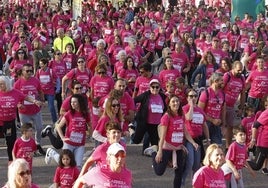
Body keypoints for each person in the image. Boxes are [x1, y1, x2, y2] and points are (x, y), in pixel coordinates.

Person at [144, 94, 198, 188]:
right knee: (159, 171)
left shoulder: (181, 115)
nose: (176, 103)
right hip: (167, 147)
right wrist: (159, 151)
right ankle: (153, 151)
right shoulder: (166, 117)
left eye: (177, 101)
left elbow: (185, 132)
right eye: (173, 101)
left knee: (179, 172)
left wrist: (193, 143)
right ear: (169, 104)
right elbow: (163, 136)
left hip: (178, 148)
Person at [0, 75, 42, 163]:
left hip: (9, 122)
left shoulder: (15, 92)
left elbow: (25, 97)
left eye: (2, 84)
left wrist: (35, 101)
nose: (0, 86)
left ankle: (11, 161)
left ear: (7, 84)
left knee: (10, 142)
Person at [181, 89, 210, 187]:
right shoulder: (184, 108)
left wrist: (208, 139)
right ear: (187, 98)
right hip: (189, 139)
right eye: (190, 96)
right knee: (190, 163)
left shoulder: (201, 110)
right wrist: (191, 106)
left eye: (195, 96)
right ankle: (181, 183)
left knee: (197, 165)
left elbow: (204, 125)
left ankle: (196, 184)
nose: (193, 98)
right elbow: (188, 118)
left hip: (198, 139)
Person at [56, 94, 91, 169]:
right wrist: (62, 138)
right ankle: (52, 154)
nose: (72, 104)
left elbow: (90, 126)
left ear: (79, 103)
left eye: (74, 102)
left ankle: (76, 181)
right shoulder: (69, 113)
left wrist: (89, 134)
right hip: (69, 143)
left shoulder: (85, 114)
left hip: (80, 144)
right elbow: (58, 126)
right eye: (71, 102)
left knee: (78, 166)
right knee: (66, 164)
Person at [132, 79, 167, 153]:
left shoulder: (162, 96)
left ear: (159, 88)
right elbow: (134, 100)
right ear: (150, 87)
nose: (155, 89)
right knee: (136, 140)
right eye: (153, 87)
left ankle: (149, 153)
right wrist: (134, 110)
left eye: (157, 87)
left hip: (156, 124)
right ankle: (131, 130)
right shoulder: (145, 95)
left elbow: (166, 108)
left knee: (154, 143)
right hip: (144, 121)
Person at [222, 61, 246, 150]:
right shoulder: (227, 76)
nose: (240, 72)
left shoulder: (242, 78)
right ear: (233, 68)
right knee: (219, 126)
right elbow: (220, 89)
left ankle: (227, 147)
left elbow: (243, 93)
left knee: (230, 126)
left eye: (242, 70)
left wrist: (241, 108)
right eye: (238, 70)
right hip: (222, 105)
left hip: (232, 105)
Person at [198, 72, 226, 145]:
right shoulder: (205, 93)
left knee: (217, 146)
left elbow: (223, 110)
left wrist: (223, 125)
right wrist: (212, 120)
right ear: (215, 81)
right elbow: (199, 111)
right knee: (205, 147)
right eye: (221, 80)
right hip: (206, 123)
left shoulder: (222, 94)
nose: (223, 82)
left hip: (217, 123)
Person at [248, 95, 268, 172]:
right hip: (264, 143)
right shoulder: (266, 113)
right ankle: (240, 161)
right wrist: (253, 139)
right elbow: (255, 125)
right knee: (256, 166)